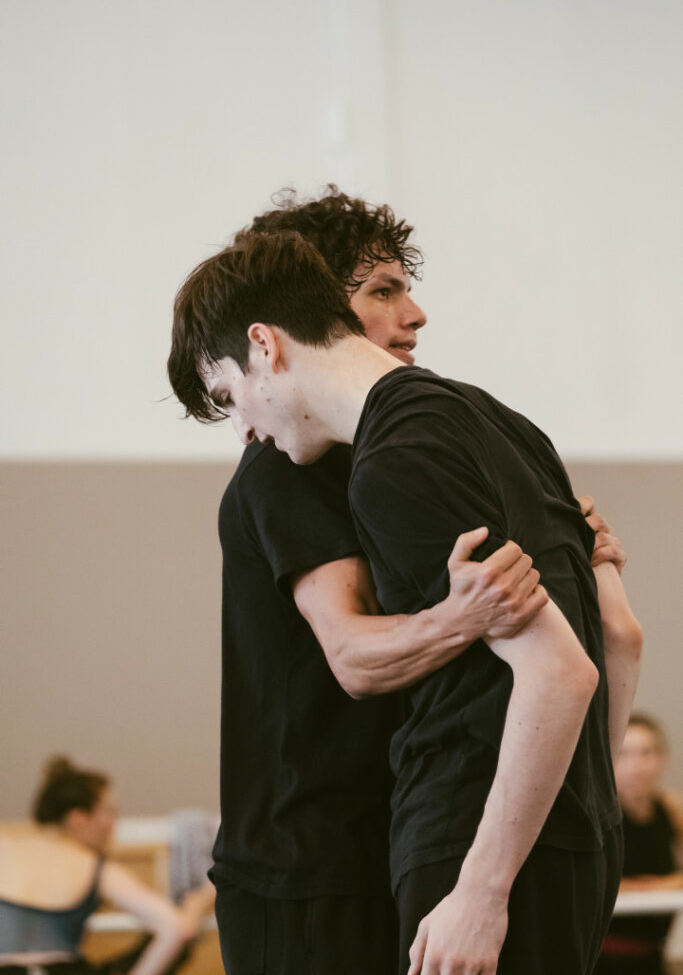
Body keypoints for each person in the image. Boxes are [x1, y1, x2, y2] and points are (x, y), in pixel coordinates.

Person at [167, 228, 643, 975]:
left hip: (462, 836)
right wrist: (594, 816)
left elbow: (564, 671)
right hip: (562, 829)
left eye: (230, 397)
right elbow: (617, 635)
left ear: (264, 344)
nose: (244, 428)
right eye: (382, 290)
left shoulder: (388, 460)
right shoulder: (503, 423)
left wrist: (481, 890)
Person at [0, 757, 200, 975]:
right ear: (78, 819)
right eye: (109, 812)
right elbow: (177, 928)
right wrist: (197, 905)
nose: (114, 825)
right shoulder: (96, 867)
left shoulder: (4, 846)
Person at [596, 714, 683, 975]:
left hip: (654, 956)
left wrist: (658, 886)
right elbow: (593, 885)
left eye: (647, 752)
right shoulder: (599, 816)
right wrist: (658, 887)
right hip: (603, 959)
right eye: (625, 754)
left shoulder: (670, 808)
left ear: (663, 757)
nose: (638, 765)